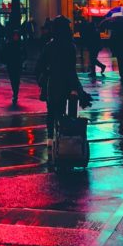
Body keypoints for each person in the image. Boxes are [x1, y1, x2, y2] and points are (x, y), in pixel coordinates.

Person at [36, 15, 85, 151]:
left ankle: (50, 138)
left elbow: (39, 66)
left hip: (52, 83)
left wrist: (44, 75)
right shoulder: (70, 47)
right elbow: (71, 70)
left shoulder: (49, 46)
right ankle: (60, 137)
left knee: (51, 111)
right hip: (65, 84)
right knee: (61, 112)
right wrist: (76, 88)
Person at [1, 30, 24, 106]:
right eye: (15, 35)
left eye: (17, 36)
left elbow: (24, 54)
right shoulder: (10, 44)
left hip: (17, 65)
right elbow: (4, 53)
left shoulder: (20, 44)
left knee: (16, 80)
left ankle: (15, 93)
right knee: (13, 79)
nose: (16, 37)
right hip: (11, 65)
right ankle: (15, 92)